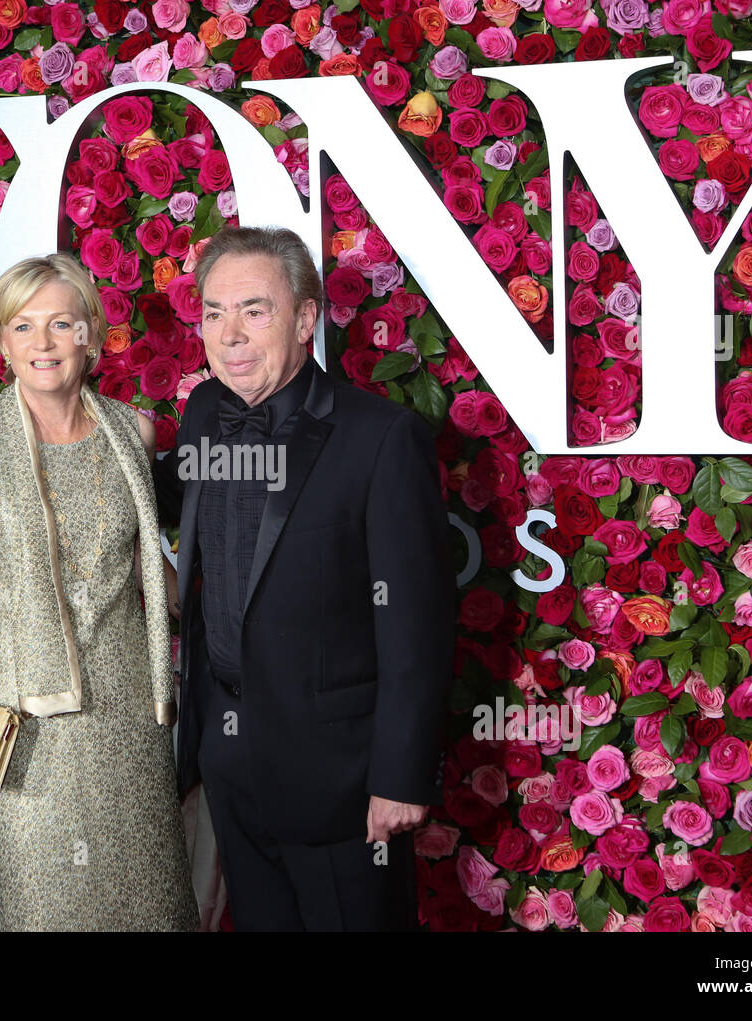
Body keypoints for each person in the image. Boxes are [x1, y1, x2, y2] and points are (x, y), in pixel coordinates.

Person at [153, 225, 456, 930]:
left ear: (306, 319)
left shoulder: (380, 438)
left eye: (254, 309)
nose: (230, 333)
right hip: (228, 763)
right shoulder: (204, 416)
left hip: (344, 780)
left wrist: (401, 776)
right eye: (213, 312)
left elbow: (416, 624)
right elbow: (156, 500)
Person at [0, 253, 198, 931]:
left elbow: (150, 573)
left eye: (61, 323)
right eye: (23, 326)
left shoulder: (134, 432)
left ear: (91, 332)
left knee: (154, 912)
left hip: (133, 727)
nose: (43, 343)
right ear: (1, 341)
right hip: (27, 735)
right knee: (46, 912)